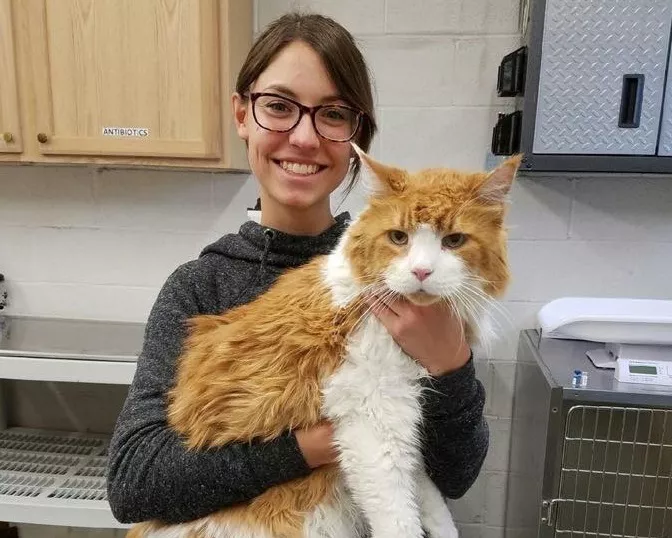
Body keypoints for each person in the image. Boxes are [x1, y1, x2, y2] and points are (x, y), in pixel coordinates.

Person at [107, 12, 490, 524]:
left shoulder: (411, 276)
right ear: (242, 114)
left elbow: (456, 476)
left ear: (359, 135)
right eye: (279, 106)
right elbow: (135, 483)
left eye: (332, 114)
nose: (305, 138)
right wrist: (321, 443)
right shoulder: (202, 286)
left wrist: (451, 365)